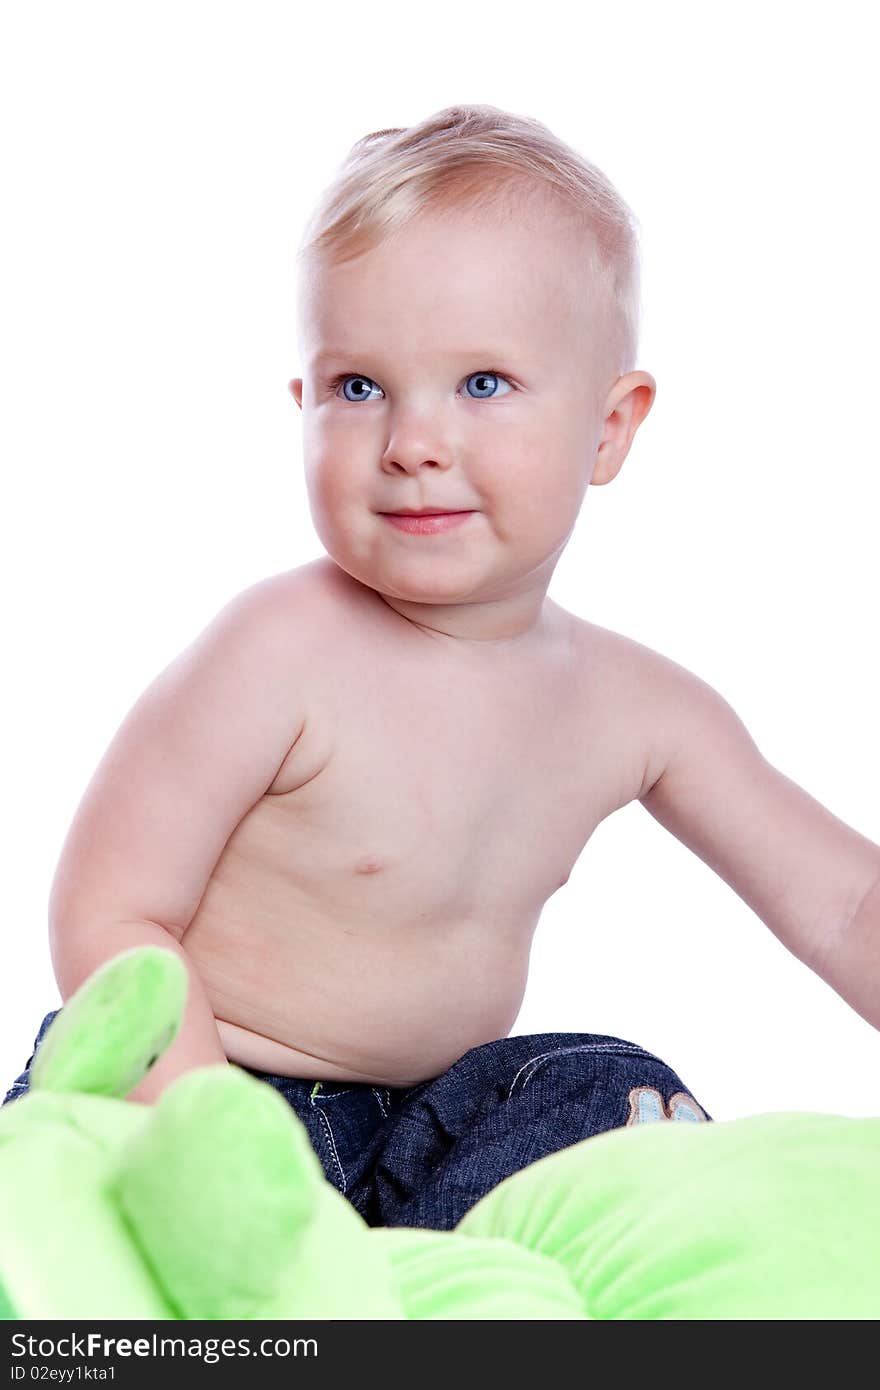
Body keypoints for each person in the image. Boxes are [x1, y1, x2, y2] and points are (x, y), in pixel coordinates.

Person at [5, 104, 879, 1232]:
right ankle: (280, 1278)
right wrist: (207, 1132)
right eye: (359, 387)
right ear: (304, 408)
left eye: (481, 384)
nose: (413, 441)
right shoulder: (277, 649)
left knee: (613, 1087)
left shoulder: (638, 707)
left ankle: (430, 1287)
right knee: (82, 1211)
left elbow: (846, 902)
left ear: (609, 428)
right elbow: (110, 908)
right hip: (201, 1088)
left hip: (425, 1128)